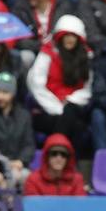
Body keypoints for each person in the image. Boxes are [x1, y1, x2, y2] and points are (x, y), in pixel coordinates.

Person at [26, 14, 93, 151]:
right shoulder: (48, 53)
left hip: (74, 106)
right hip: (48, 110)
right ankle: (67, 161)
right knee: (75, 125)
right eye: (66, 35)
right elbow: (36, 84)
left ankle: (56, 155)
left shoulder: (86, 57)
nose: (69, 39)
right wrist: (57, 108)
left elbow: (88, 88)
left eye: (73, 36)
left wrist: (70, 101)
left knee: (73, 117)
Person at [8, 0, 73, 70]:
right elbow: (18, 39)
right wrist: (41, 46)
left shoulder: (62, 4)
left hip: (59, 48)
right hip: (35, 50)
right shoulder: (20, 8)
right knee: (26, 56)